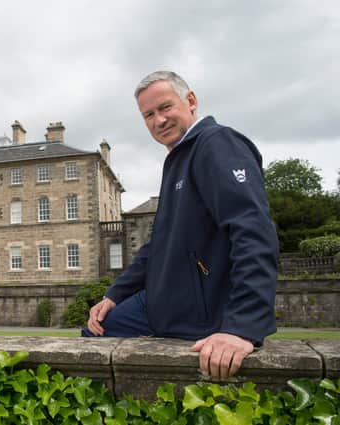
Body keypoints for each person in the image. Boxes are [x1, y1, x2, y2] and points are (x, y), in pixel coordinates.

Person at [83, 71, 279, 380]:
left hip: (198, 311)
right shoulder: (178, 158)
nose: (158, 120)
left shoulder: (217, 145)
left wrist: (243, 327)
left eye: (165, 108)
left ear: (190, 101)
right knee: (94, 333)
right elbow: (158, 244)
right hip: (163, 303)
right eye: (148, 115)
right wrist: (114, 295)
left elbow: (253, 232)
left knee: (95, 348)